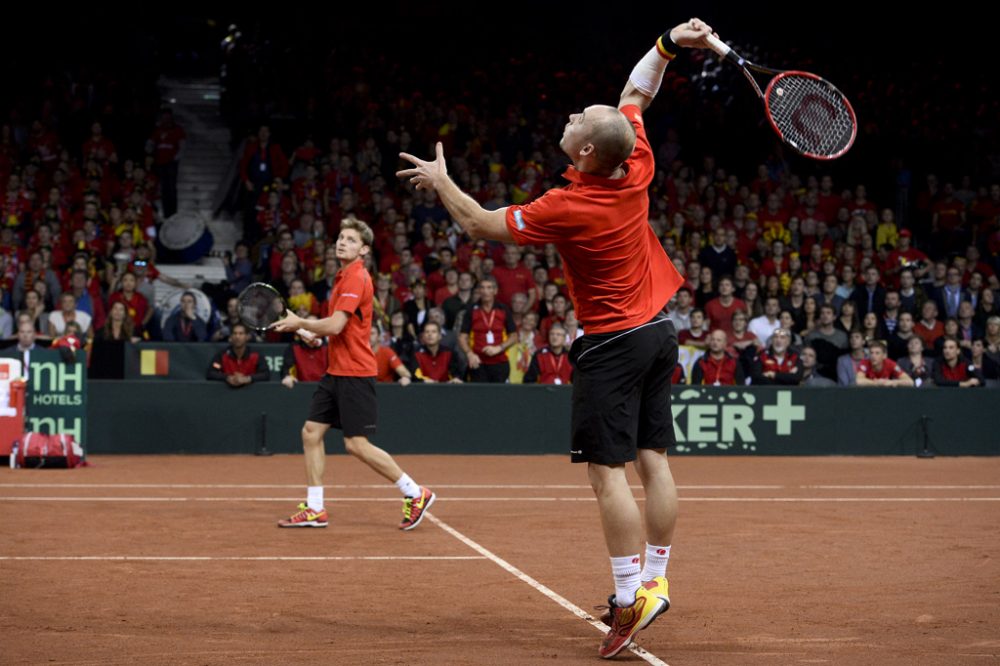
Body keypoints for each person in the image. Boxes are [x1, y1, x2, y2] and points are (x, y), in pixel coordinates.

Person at [396, 19, 717, 657]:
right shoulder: (637, 161)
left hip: (613, 342)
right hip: (660, 332)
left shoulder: (565, 206)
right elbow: (637, 92)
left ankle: (628, 603)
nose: (573, 115)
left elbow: (482, 224)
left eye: (579, 118)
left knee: (607, 474)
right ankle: (656, 579)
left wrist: (442, 183)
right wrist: (669, 43)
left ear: (586, 154)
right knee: (653, 459)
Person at [271, 219, 435, 531]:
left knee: (356, 445)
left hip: (355, 373)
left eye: (350, 239)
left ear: (363, 249)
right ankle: (316, 508)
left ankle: (415, 493)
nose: (341, 242)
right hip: (336, 371)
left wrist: (300, 323)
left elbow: (334, 325)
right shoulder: (341, 277)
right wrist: (314, 336)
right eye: (340, 237)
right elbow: (339, 329)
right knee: (311, 432)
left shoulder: (356, 277)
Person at [206, 323, 269, 387]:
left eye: (241, 333)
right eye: (235, 333)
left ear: (247, 337)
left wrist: (247, 379)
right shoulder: (222, 354)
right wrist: (228, 378)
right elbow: (211, 373)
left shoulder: (256, 355)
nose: (237, 337)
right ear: (231, 337)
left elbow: (265, 374)